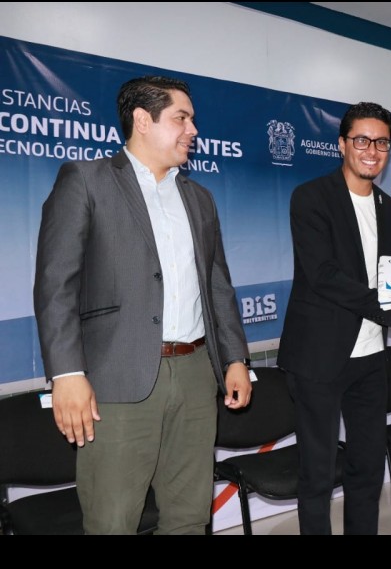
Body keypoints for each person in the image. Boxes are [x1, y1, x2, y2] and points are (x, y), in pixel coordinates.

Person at [33, 75, 252, 535]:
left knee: (190, 515)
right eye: (181, 118)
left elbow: (218, 286)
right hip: (116, 379)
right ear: (142, 120)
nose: (193, 130)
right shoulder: (86, 180)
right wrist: (67, 374)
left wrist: (235, 359)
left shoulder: (199, 198)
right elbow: (56, 285)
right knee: (112, 521)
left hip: (195, 375)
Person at [277, 101, 391, 535]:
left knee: (367, 466)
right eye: (362, 140)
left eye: (381, 142)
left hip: (370, 356)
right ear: (342, 144)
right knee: (318, 471)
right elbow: (323, 275)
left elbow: (378, 276)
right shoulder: (311, 197)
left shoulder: (388, 206)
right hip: (318, 356)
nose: (372, 150)